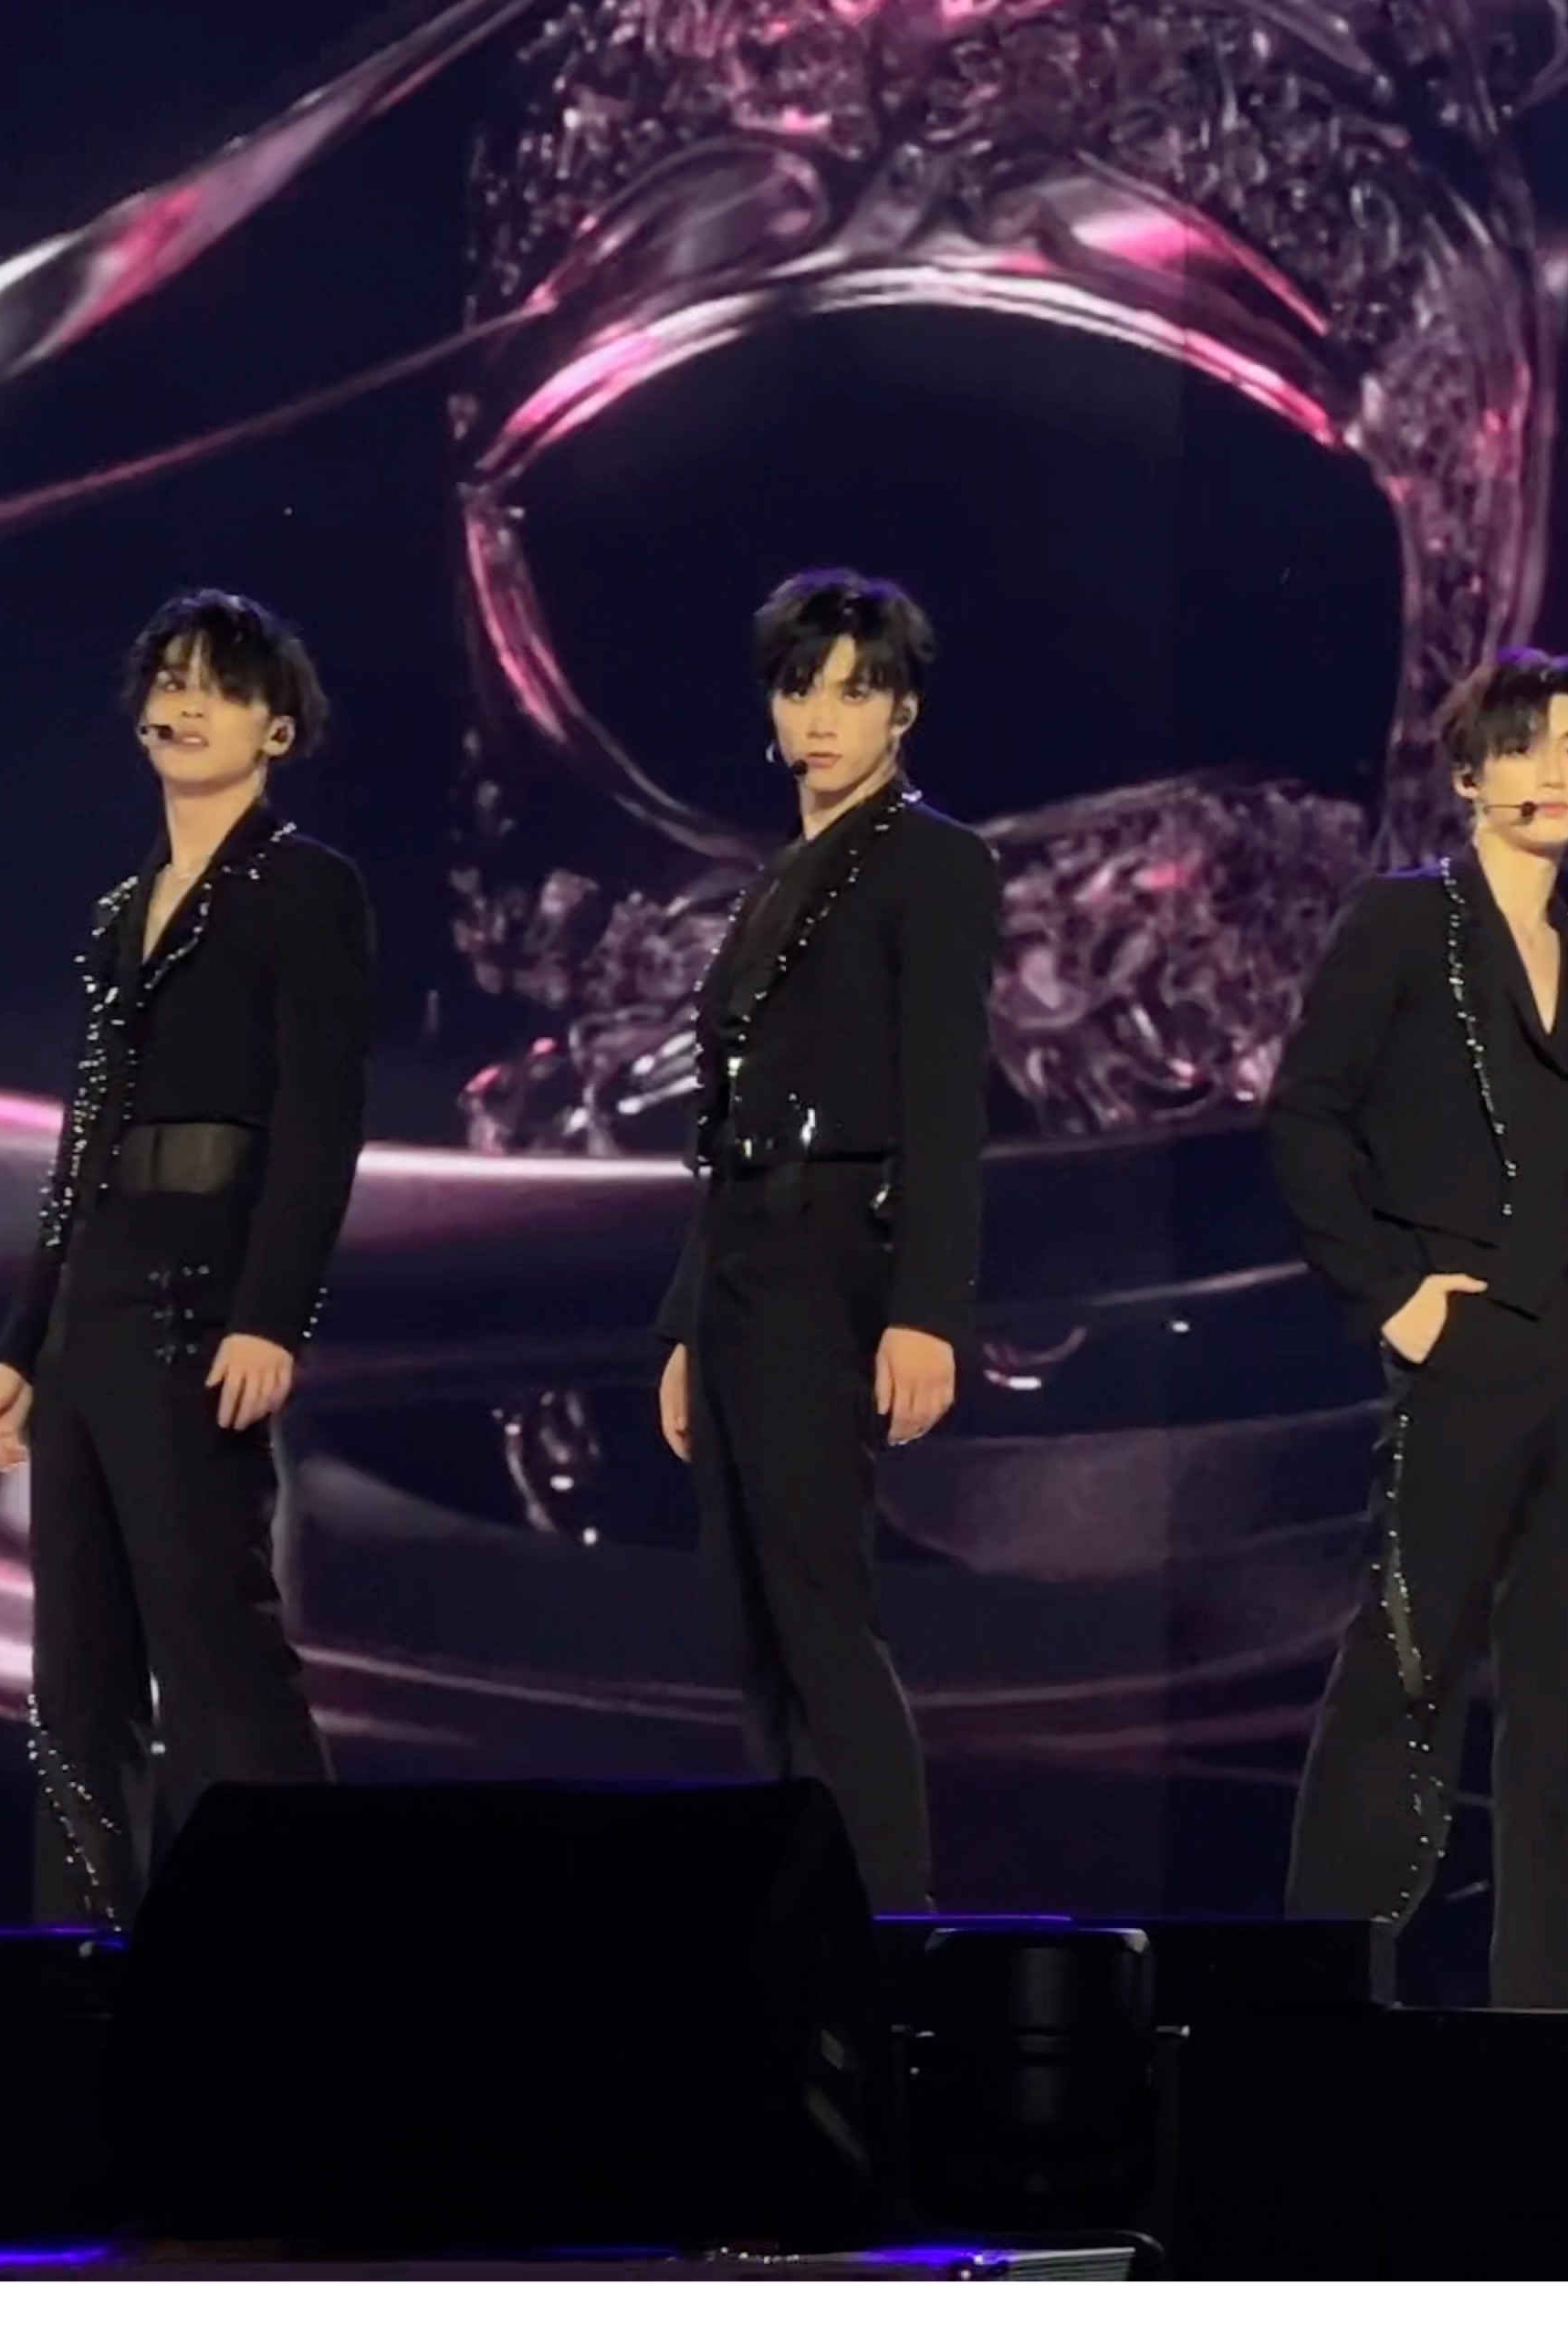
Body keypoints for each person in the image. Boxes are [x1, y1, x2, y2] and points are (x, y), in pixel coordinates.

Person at [0, 590, 373, 1925]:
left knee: (215, 1651)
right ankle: (79, 1965)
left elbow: (320, 1120)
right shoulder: (119, 912)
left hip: (204, 1300)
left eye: (219, 686)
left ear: (277, 729)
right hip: (93, 1305)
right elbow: (82, 1143)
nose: (184, 704)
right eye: (170, 679)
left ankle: (291, 1945)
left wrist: (271, 1315)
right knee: (74, 1678)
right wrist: (22, 1346)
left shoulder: (306, 888)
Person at [1268, 650, 1568, 2008]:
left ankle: (1553, 1989)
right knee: (1408, 1658)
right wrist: (1393, 1293)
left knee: (1555, 1686)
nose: (1552, 773)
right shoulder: (1405, 921)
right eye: (1524, 747)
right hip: (1465, 1339)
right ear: (1468, 772)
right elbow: (1305, 1112)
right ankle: (1328, 1978)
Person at [653, 570, 1000, 1913]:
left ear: (903, 709)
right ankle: (799, 1926)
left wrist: (928, 1309)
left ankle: (889, 1930)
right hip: (742, 1260)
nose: (822, 717)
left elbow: (944, 1101)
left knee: (818, 1611)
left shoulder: (931, 862)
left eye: (855, 692)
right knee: (753, 1627)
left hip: (834, 1260)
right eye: (801, 690)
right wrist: (684, 1323)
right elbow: (725, 1123)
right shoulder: (770, 885)